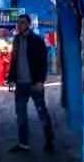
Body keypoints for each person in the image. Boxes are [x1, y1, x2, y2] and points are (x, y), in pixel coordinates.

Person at [9, 14, 54, 153]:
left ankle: (49, 141)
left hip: (34, 83)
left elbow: (43, 62)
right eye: (18, 23)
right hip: (20, 84)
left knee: (42, 112)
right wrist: (11, 78)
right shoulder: (16, 40)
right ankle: (23, 143)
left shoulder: (37, 40)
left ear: (28, 24)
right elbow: (13, 60)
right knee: (21, 114)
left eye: (22, 23)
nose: (19, 25)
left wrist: (40, 81)